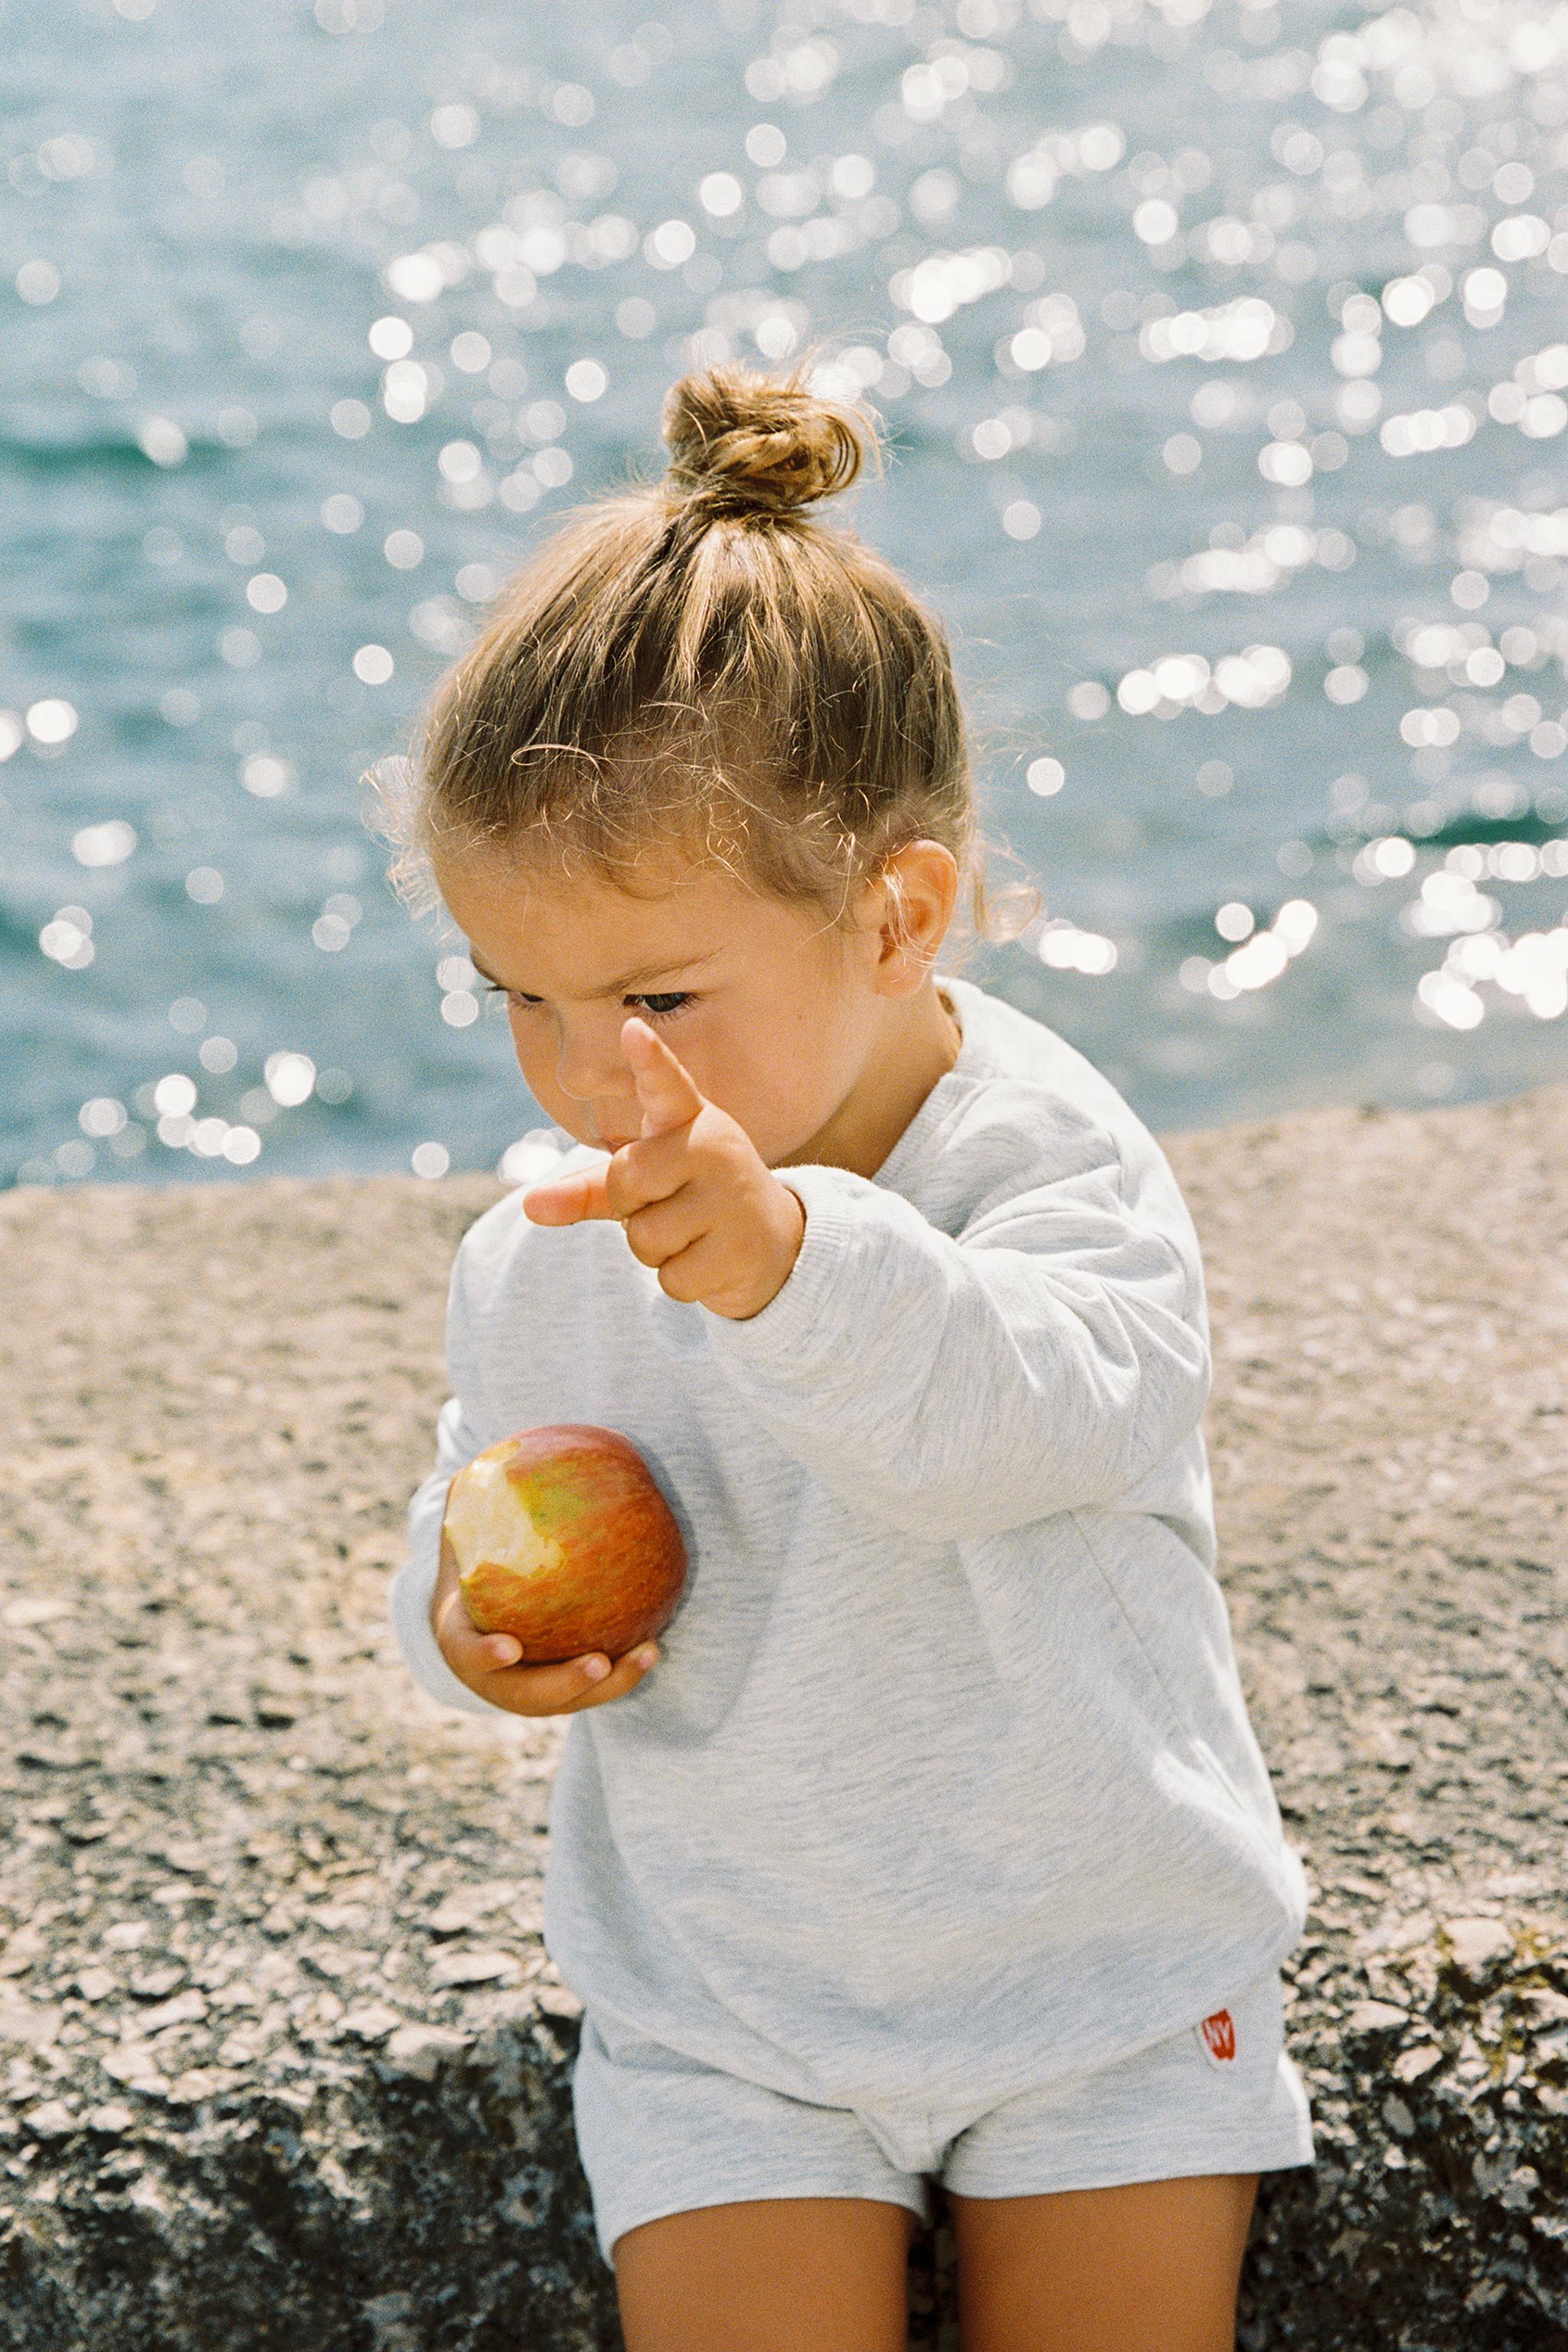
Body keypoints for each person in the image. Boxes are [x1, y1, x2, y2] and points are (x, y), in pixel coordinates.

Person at [379, 354, 1315, 2352]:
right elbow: (488, 1479)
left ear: (902, 918)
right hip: (734, 2008)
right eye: (513, 996)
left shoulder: (1057, 1167)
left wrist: (791, 1267)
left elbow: (1022, 1415)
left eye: (651, 994)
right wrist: (468, 1623)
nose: (574, 1072)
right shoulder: (551, 1239)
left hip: (1100, 1976)